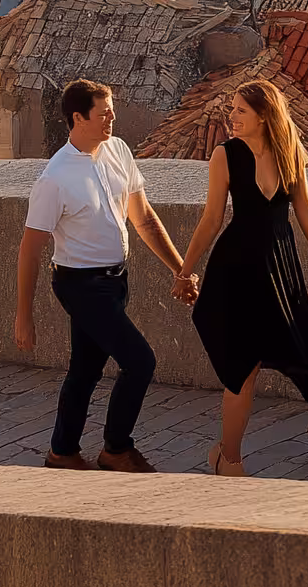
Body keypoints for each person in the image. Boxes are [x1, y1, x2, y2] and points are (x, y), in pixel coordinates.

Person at [174, 81, 308, 476]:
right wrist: (186, 269)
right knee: (245, 365)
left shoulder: (290, 151)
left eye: (241, 110)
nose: (232, 117)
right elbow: (211, 220)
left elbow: (305, 209)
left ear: (263, 115)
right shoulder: (225, 155)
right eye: (233, 110)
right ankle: (230, 457)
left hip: (281, 267)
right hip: (236, 269)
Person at [17, 78, 195, 471]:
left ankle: (62, 452)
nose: (113, 117)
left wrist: (181, 270)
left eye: (112, 109)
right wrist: (24, 315)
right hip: (80, 285)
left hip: (116, 281)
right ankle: (116, 448)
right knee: (140, 362)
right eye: (104, 113)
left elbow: (144, 218)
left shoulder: (118, 150)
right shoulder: (55, 179)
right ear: (78, 118)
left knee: (86, 369)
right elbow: (30, 249)